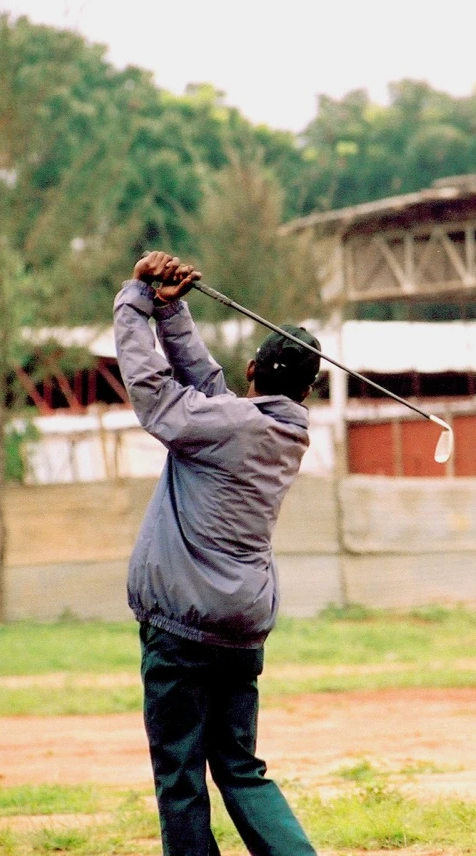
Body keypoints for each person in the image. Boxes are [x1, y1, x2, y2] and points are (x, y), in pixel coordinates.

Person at [113, 250, 320, 856]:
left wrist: (134, 299)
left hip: (184, 625)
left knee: (181, 777)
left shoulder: (227, 423)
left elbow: (155, 396)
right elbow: (208, 391)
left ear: (252, 368)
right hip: (241, 627)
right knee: (239, 767)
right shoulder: (285, 431)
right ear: (307, 388)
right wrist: (171, 311)